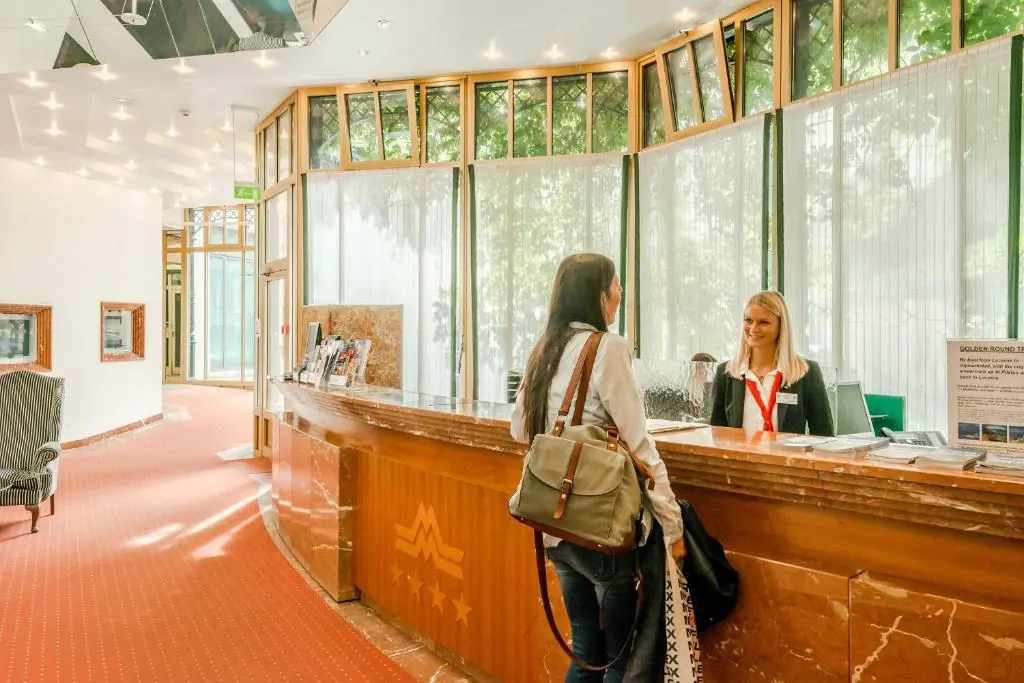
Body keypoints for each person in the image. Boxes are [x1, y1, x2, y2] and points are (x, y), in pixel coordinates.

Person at [510, 253, 685, 682]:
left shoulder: (544, 347)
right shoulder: (608, 347)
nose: (620, 293)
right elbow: (640, 444)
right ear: (598, 294)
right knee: (619, 660)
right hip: (599, 526)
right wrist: (672, 524)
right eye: (616, 284)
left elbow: (519, 429)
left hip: (555, 525)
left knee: (587, 650)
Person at [709, 290, 834, 437]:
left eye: (763, 322)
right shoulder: (727, 373)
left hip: (788, 453)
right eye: (748, 320)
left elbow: (824, 436)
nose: (753, 329)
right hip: (739, 453)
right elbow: (717, 436)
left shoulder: (806, 372)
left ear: (781, 326)